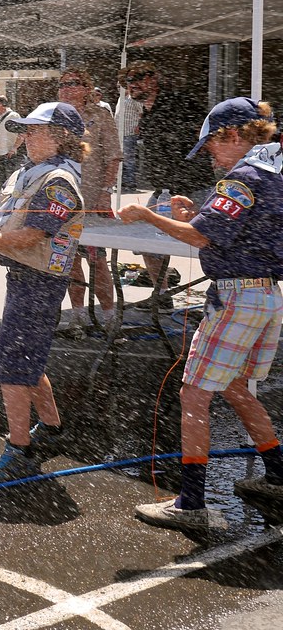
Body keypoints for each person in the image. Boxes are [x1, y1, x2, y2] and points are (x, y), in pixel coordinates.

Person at [119, 97, 283, 532]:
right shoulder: (270, 173)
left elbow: (199, 238)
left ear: (231, 135)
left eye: (211, 145)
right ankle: (279, 475)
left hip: (238, 297)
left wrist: (147, 214)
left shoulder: (242, 177)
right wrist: (195, 216)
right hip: (266, 295)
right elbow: (227, 230)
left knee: (194, 394)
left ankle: (191, 503)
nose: (209, 154)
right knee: (233, 385)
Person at [0, 102, 88, 484]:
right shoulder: (26, 173)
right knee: (28, 360)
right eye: (25, 130)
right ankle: (53, 428)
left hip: (41, 280)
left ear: (60, 137)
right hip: (24, 277)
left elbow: (31, 236)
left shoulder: (60, 181)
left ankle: (19, 450)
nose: (26, 137)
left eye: (35, 131)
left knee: (12, 364)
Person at [124, 60, 215, 310]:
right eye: (128, 81)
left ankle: (215, 298)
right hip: (165, 189)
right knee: (144, 241)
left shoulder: (179, 102)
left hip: (194, 186)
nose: (132, 85)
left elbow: (205, 134)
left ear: (154, 79)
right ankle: (162, 295)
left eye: (138, 78)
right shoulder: (148, 111)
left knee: (208, 242)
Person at [57, 68, 121, 336]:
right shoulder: (54, 116)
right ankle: (78, 316)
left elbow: (114, 156)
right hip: (64, 199)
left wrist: (106, 190)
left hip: (94, 200)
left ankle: (109, 316)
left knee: (98, 262)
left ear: (85, 87)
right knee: (69, 260)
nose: (66, 88)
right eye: (61, 84)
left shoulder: (100, 115)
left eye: (72, 83)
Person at [114, 71, 144, 192]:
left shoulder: (133, 99)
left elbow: (141, 113)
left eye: (119, 86)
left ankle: (130, 182)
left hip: (129, 133)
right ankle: (124, 181)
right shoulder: (121, 99)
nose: (118, 88)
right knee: (122, 158)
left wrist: (139, 126)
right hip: (120, 133)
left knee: (128, 159)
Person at [0, 94, 23, 186]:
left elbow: (22, 133)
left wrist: (14, 148)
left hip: (9, 153)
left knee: (11, 179)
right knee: (1, 180)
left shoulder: (13, 116)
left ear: (2, 104)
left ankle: (11, 198)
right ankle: (3, 198)